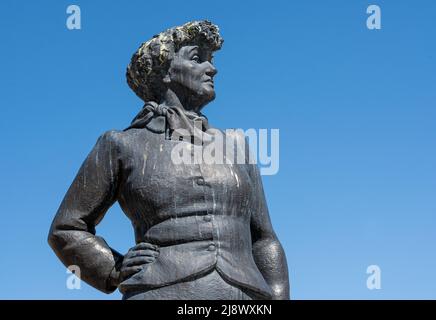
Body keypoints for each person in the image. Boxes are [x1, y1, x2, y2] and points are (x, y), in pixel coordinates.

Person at [48, 20, 289, 300]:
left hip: (243, 297)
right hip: (159, 290)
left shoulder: (236, 144)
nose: (212, 68)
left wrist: (279, 296)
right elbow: (66, 227)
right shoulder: (121, 144)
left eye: (210, 60)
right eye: (197, 59)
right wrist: (112, 267)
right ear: (164, 72)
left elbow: (264, 238)